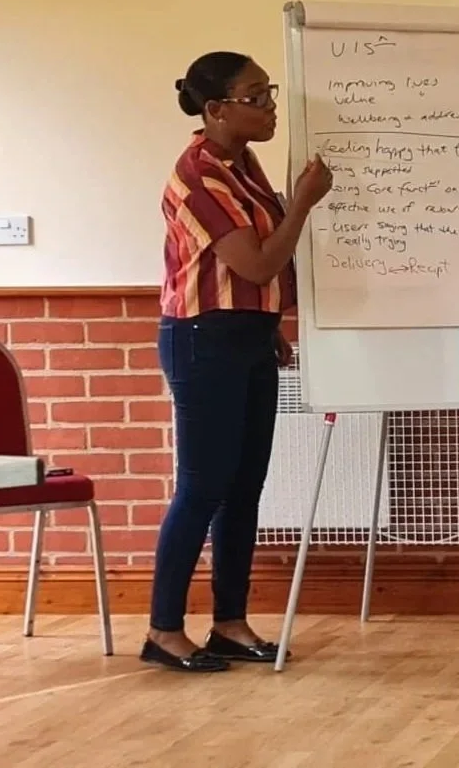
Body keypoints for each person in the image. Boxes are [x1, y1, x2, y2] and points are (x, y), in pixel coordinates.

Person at [139, 51, 333, 673]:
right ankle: (164, 630)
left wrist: (268, 323)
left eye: (268, 92)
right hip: (204, 339)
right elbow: (254, 263)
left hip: (247, 336)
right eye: (256, 97)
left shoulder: (241, 161)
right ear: (216, 110)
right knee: (202, 487)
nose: (270, 106)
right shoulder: (199, 176)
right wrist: (303, 204)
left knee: (245, 488)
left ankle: (229, 622)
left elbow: (248, 276)